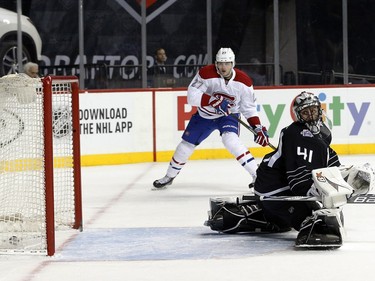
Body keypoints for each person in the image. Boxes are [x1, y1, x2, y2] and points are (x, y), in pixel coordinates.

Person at [205, 91, 374, 248]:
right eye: (305, 112)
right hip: (272, 187)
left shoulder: (322, 133)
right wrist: (319, 191)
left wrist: (343, 181)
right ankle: (255, 212)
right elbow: (298, 182)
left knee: (297, 220)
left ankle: (258, 213)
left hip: (279, 187)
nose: (310, 116)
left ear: (319, 111)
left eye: (313, 111)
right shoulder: (295, 133)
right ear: (298, 115)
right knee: (314, 218)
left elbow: (330, 163)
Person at [153, 47, 270, 189]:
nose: (223, 67)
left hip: (228, 116)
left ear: (233, 64)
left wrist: (256, 127)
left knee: (231, 140)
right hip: (204, 116)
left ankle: (257, 174)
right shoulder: (205, 73)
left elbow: (249, 108)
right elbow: (191, 96)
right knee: (185, 146)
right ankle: (169, 176)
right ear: (216, 63)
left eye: (227, 63)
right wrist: (212, 100)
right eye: (220, 63)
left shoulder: (244, 82)